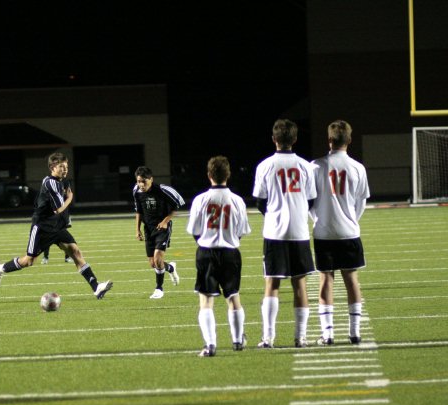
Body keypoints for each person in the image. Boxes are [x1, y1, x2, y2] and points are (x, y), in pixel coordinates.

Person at [0, 152, 112, 299]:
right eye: (62, 166)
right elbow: (58, 209)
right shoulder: (50, 182)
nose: (65, 169)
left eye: (66, 166)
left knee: (75, 251)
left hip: (57, 226)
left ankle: (96, 287)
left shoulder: (61, 182)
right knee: (29, 261)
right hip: (42, 227)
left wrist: (66, 223)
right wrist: (70, 198)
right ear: (52, 167)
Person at [252, 118, 317, 348]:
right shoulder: (305, 166)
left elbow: (260, 201)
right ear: (295, 139)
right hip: (299, 231)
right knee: (300, 286)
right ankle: (301, 337)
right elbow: (310, 199)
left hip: (274, 231)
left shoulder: (265, 165)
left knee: (272, 285)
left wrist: (274, 215)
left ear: (274, 139)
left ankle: (268, 337)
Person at [310, 120, 370, 345]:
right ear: (349, 141)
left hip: (324, 232)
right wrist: (351, 220)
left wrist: (318, 220)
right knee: (352, 280)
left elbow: (310, 202)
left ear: (329, 140)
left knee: (326, 280)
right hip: (349, 232)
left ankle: (328, 334)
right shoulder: (357, 167)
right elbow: (361, 203)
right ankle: (355, 333)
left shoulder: (315, 166)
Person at [186, 156, 251, 356]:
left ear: (209, 175)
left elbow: (195, 231)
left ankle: (210, 345)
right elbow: (241, 230)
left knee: (206, 300)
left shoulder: (200, 199)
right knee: (233, 297)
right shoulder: (237, 200)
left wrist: (207, 241)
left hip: (206, 251)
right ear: (228, 175)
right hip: (230, 252)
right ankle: (238, 341)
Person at [132, 166, 184, 299]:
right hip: (148, 229)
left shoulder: (163, 190)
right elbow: (138, 211)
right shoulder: (136, 191)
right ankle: (170, 268)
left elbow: (176, 207)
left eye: (144, 181)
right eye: (139, 181)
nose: (141, 184)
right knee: (154, 264)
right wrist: (137, 229)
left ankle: (159, 289)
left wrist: (166, 221)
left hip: (162, 228)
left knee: (158, 258)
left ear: (151, 179)